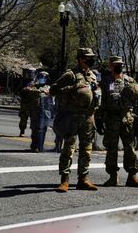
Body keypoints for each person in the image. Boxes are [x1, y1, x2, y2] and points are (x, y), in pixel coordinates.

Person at [50, 48, 100, 192]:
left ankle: (83, 179)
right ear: (80, 58)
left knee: (86, 149)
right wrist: (74, 87)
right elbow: (53, 90)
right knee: (69, 148)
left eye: (92, 57)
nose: (91, 60)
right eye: (88, 57)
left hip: (88, 117)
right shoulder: (70, 74)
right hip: (72, 116)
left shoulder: (92, 75)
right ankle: (64, 180)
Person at [96, 56, 138, 188]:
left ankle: (132, 176)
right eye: (116, 64)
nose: (119, 66)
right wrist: (99, 118)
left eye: (121, 64)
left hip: (127, 119)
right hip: (111, 119)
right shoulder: (105, 82)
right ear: (110, 66)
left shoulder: (129, 81)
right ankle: (113, 176)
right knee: (111, 149)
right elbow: (101, 102)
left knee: (130, 148)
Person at [24, 71, 55, 152]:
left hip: (45, 111)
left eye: (44, 77)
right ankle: (34, 145)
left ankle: (40, 145)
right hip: (35, 111)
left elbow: (53, 96)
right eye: (41, 77)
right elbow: (27, 89)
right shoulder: (34, 86)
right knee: (35, 128)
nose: (42, 79)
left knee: (43, 129)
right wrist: (39, 91)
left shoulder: (49, 87)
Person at [18, 68, 36, 137]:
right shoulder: (24, 82)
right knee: (23, 118)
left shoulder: (36, 83)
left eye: (32, 73)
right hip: (25, 103)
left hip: (33, 103)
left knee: (34, 119)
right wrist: (24, 89)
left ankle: (34, 133)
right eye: (30, 73)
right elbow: (19, 91)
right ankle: (22, 131)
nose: (31, 74)